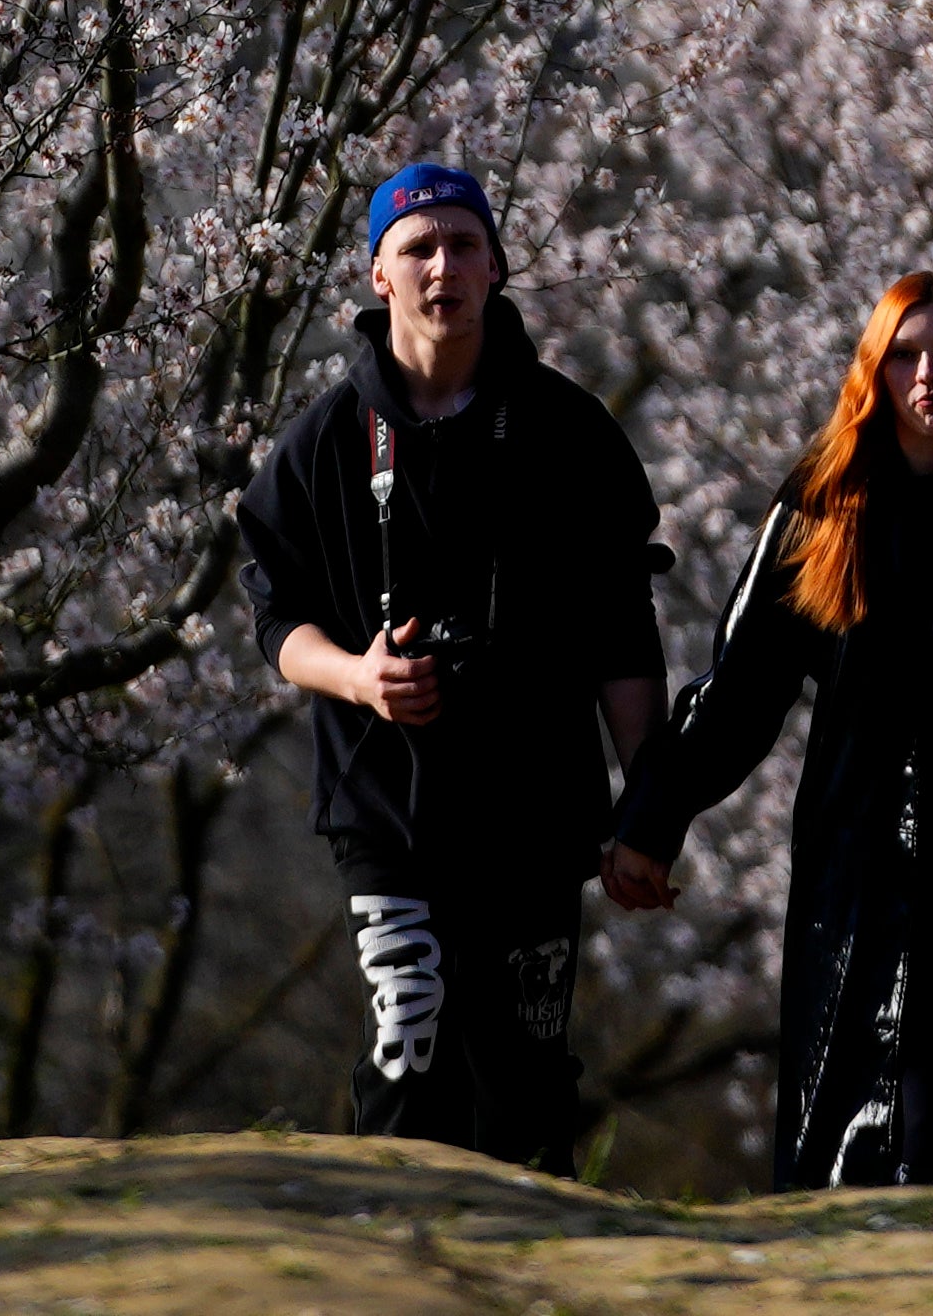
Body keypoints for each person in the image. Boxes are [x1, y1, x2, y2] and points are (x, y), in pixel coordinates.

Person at [598, 267, 933, 1188]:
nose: (928, 375)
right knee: (858, 1139)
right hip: (859, 864)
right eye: (903, 356)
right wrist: (650, 822)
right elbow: (738, 689)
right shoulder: (823, 509)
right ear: (874, 373)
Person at [237, 160, 668, 1169]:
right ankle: (393, 1263)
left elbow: (622, 634)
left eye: (463, 244)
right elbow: (276, 618)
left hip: (535, 804)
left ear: (496, 264)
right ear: (378, 275)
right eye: (418, 247)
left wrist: (645, 808)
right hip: (383, 804)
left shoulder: (568, 430)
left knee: (523, 1068)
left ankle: (531, 1273)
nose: (444, 265)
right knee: (408, 1045)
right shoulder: (325, 442)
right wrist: (359, 676)